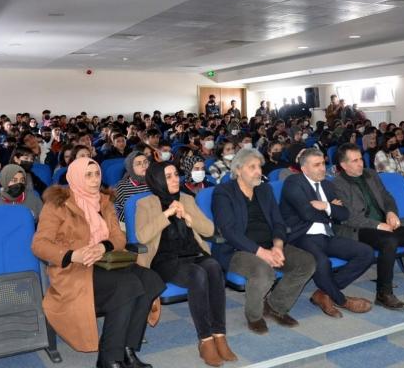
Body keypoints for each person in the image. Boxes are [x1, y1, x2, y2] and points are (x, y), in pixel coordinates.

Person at [32, 158, 165, 368]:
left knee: (150, 280)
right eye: (88, 175)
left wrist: (104, 246)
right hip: (74, 270)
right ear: (75, 177)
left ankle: (127, 348)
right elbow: (39, 245)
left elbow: (119, 237)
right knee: (128, 286)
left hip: (106, 262)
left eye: (97, 174)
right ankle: (108, 358)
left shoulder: (104, 201)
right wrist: (73, 255)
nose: (95, 180)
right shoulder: (57, 204)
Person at [135, 161, 236, 367]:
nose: (175, 179)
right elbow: (142, 236)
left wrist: (188, 217)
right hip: (164, 260)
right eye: (168, 176)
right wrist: (166, 214)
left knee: (214, 267)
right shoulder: (145, 204)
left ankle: (219, 334)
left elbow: (209, 230)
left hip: (192, 253)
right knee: (197, 274)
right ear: (157, 180)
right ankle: (205, 340)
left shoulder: (187, 199)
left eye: (176, 174)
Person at [212, 148, 316, 334]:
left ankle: (275, 306)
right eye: (252, 167)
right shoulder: (223, 192)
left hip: (269, 245)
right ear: (238, 170)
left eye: (259, 167)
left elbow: (278, 222)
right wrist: (261, 252)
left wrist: (278, 245)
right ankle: (254, 316)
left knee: (306, 262)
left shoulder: (264, 189)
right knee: (264, 272)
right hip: (238, 250)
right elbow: (229, 232)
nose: (258, 171)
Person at [333, 143, 404, 310]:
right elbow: (349, 217)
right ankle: (383, 293)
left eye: (361, 159)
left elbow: (387, 197)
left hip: (383, 226)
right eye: (355, 161)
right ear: (343, 165)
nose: (360, 163)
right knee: (389, 240)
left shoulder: (370, 174)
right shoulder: (337, 184)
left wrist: (391, 212)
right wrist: (379, 225)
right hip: (358, 230)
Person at [281, 148, 374, 318]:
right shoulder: (293, 183)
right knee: (322, 263)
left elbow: (344, 214)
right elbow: (306, 214)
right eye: (316, 165)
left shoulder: (327, 185)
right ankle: (342, 300)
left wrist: (326, 206)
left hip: (326, 235)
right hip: (301, 236)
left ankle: (323, 293)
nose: (323, 168)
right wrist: (332, 210)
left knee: (366, 253)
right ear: (304, 168)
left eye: (323, 163)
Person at [114, 152, 151, 223]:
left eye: (145, 162)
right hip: (133, 224)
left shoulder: (155, 181)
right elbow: (116, 210)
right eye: (138, 164)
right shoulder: (122, 186)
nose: (144, 166)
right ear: (131, 167)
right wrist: (134, 219)